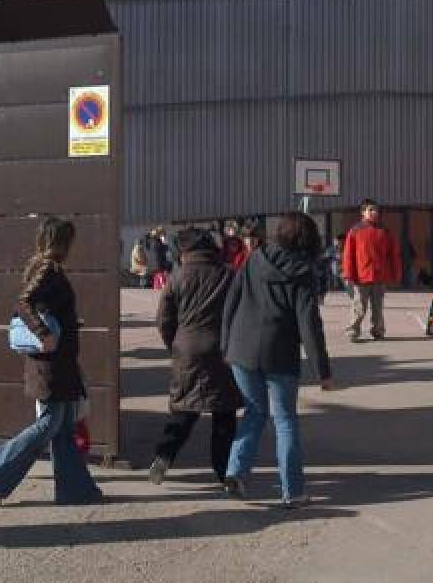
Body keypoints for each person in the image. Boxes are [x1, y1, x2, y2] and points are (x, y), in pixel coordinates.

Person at [0, 216, 103, 506]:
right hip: (51, 364)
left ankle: (76, 490)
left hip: (59, 362)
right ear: (59, 242)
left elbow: (44, 306)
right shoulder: (46, 268)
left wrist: (67, 323)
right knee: (49, 425)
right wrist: (44, 333)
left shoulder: (45, 267)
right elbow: (23, 302)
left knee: (63, 426)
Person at [221, 211, 334, 508]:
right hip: (279, 353)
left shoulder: (255, 259)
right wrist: (321, 369)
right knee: (285, 420)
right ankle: (292, 491)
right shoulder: (303, 272)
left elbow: (231, 300)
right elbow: (309, 323)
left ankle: (235, 471)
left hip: (241, 349)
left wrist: (225, 345)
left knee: (254, 412)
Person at [148, 229, 242, 485]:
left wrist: (175, 344)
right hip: (223, 349)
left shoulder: (177, 278)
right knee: (224, 414)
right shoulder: (229, 275)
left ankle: (164, 457)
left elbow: (163, 320)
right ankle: (225, 472)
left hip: (187, 349)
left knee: (183, 409)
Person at [341, 198, 401, 342]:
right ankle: (353, 331)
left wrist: (395, 273)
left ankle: (378, 331)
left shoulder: (385, 231)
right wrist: (349, 274)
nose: (374, 213)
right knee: (359, 307)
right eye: (370, 210)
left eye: (376, 210)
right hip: (360, 277)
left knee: (377, 308)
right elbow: (348, 254)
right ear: (363, 212)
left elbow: (393, 254)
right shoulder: (355, 231)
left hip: (379, 276)